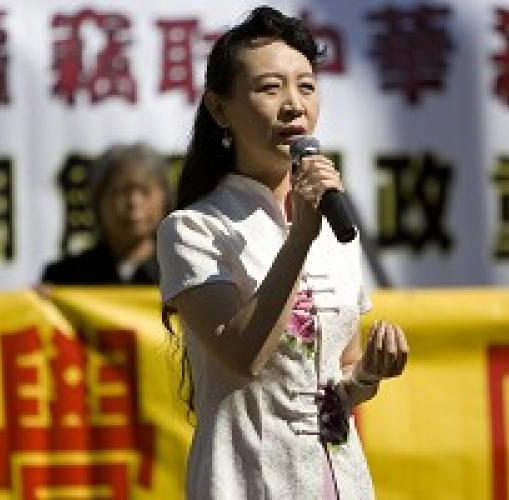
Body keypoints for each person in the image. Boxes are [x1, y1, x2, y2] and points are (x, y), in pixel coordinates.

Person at [156, 7, 408, 499]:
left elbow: (339, 379)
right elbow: (241, 355)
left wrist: (369, 375)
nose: (294, 105)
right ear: (220, 109)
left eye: (306, 87)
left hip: (339, 482)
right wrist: (300, 239)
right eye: (270, 89)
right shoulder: (192, 229)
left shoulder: (331, 221)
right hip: (245, 479)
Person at [41, 142, 171, 285]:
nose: (133, 202)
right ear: (97, 200)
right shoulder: (63, 277)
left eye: (145, 191)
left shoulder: (180, 276)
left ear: (165, 199)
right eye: (121, 191)